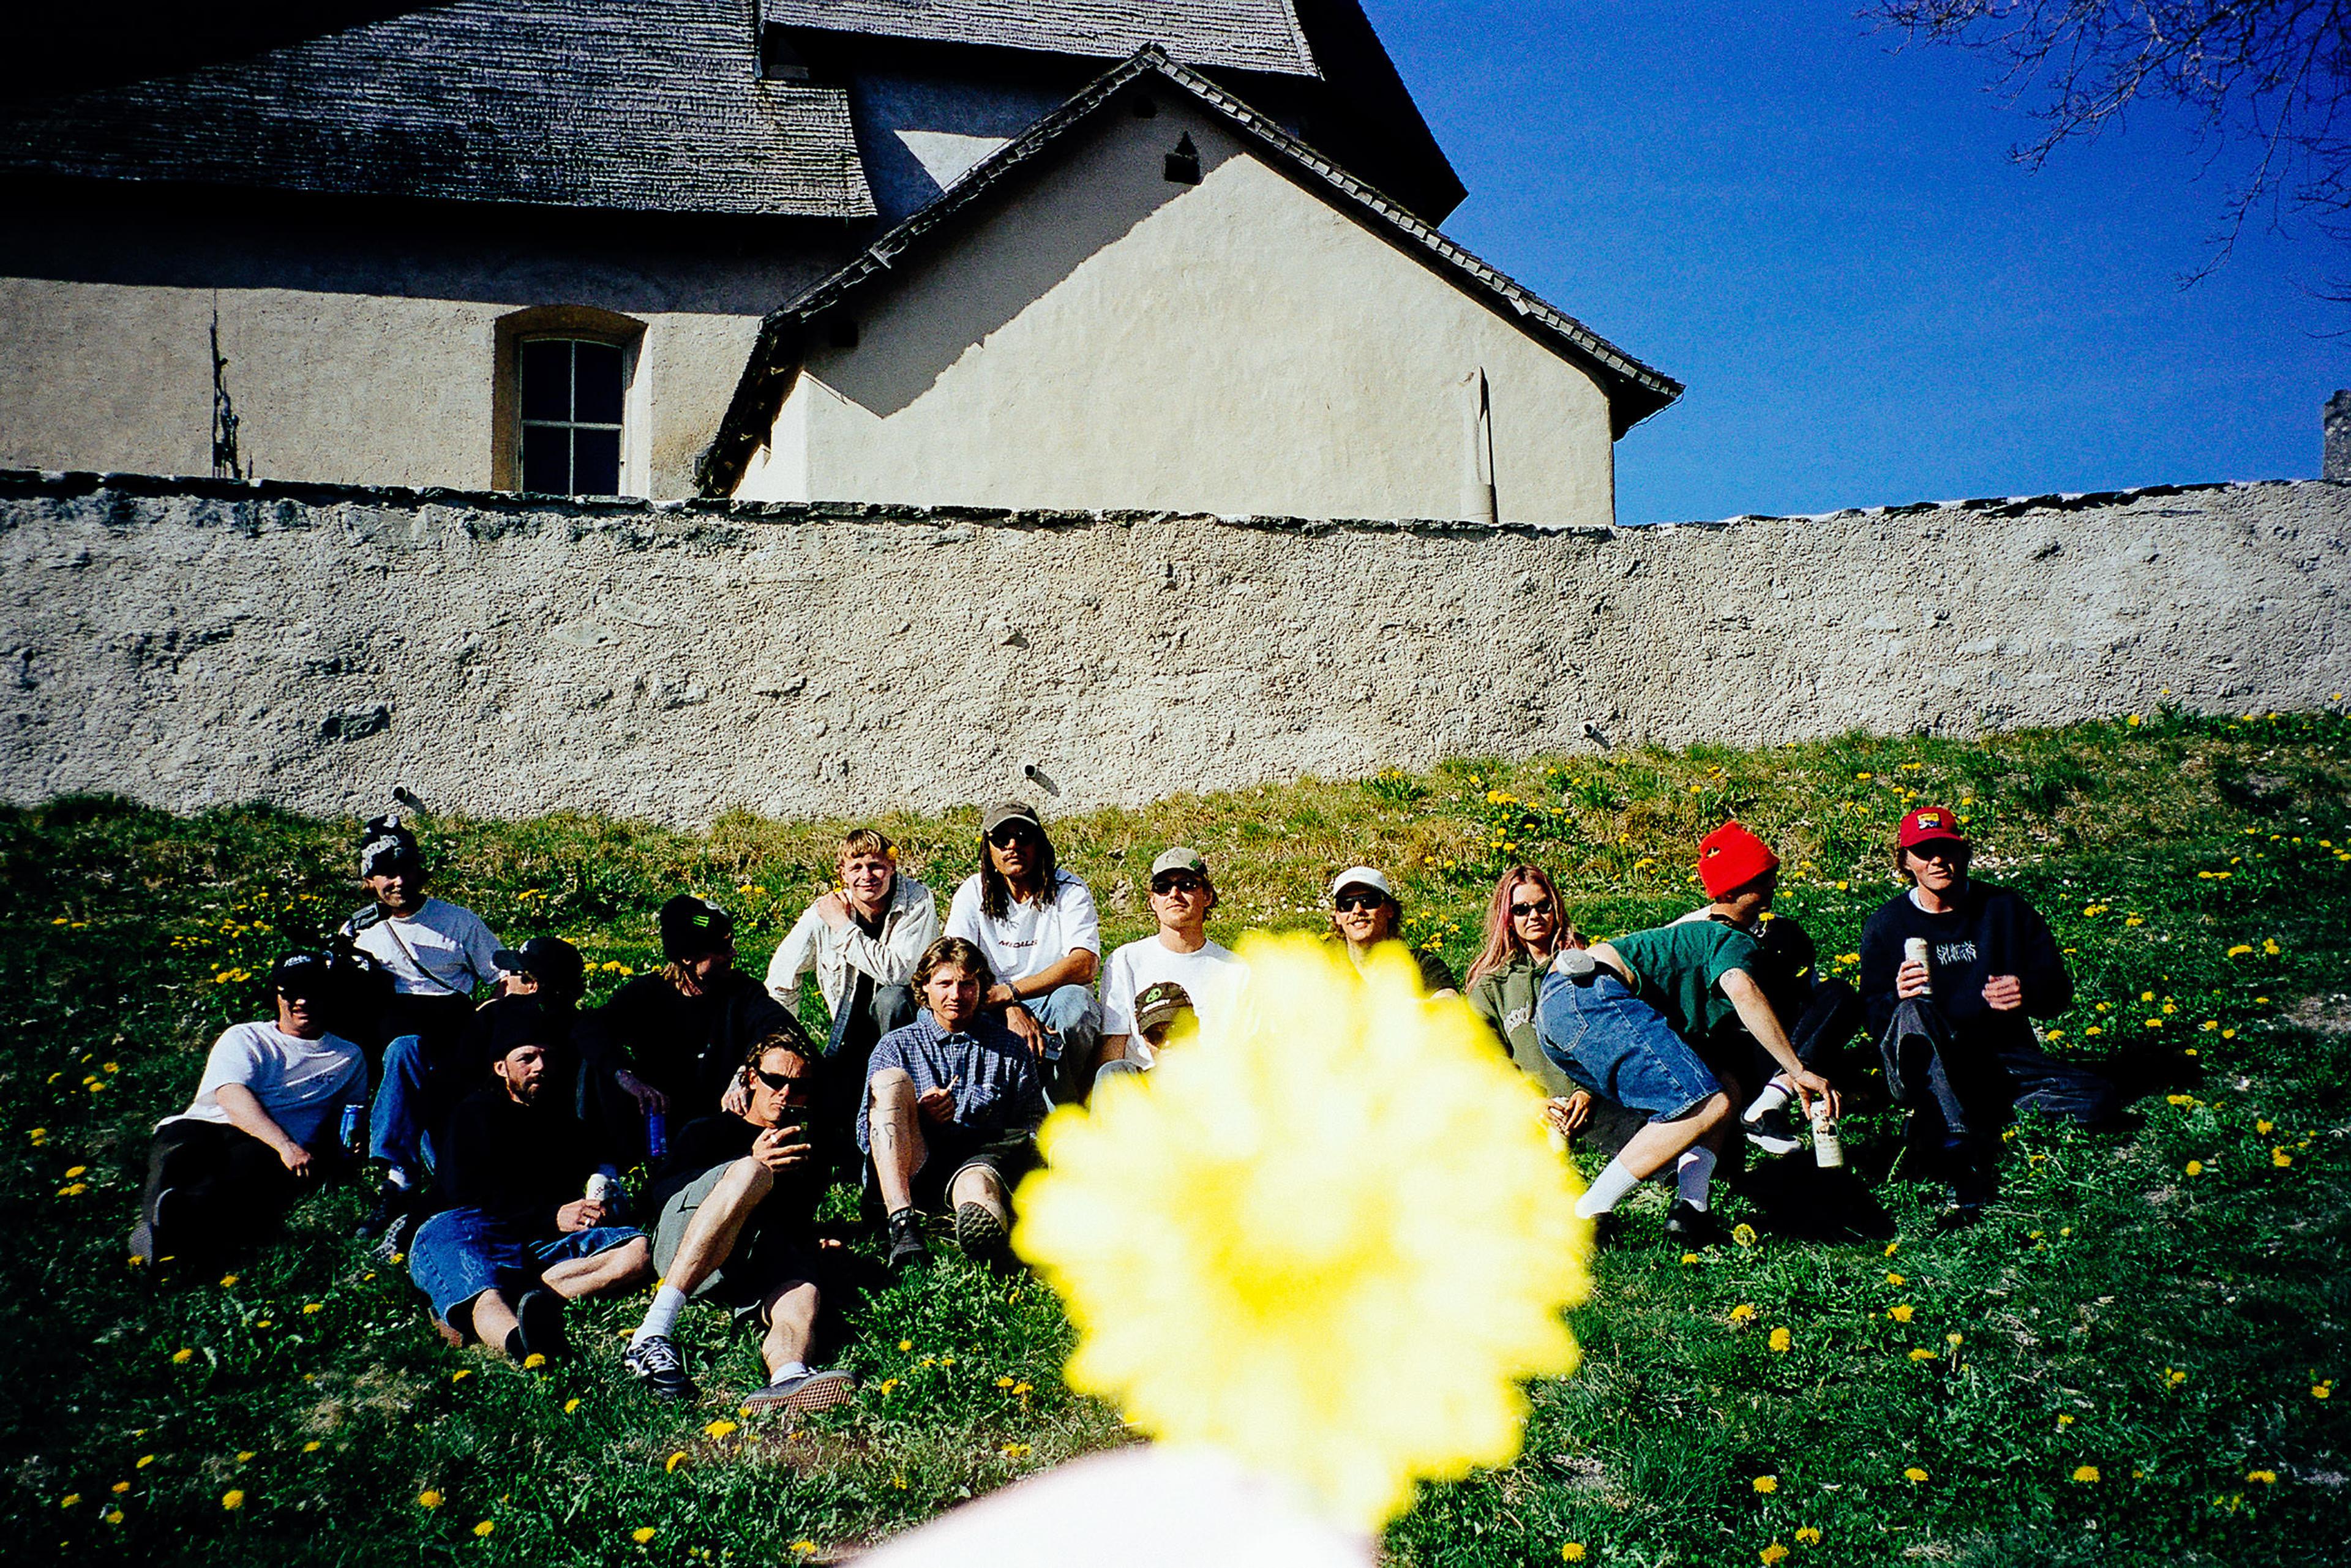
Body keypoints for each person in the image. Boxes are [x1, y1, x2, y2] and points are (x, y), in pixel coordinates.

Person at [1859, 806, 2118, 1224]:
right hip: (1927, 1060)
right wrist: (1895, 996)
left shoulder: (2004, 909)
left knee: (2098, 1097)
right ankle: (1959, 1155)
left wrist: (2026, 991)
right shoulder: (1886, 924)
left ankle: (1962, 1117)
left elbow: (2058, 992)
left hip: (2001, 1055)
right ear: (1904, 861)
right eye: (1924, 852)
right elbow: (1872, 1017)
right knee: (1914, 1010)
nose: (1937, 861)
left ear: (1964, 853)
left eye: (1947, 849)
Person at [1535, 914, 1839, 1243]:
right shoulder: (1738, 944)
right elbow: (1742, 987)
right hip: (1587, 992)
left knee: (1721, 1089)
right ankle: (1586, 1211)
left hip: (1565, 1011)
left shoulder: (1699, 977)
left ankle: (1691, 1210)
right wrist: (1797, 1071)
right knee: (1701, 1103)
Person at [621, 1025, 857, 1414]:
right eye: (775, 1081)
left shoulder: (804, 1149)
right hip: (682, 1248)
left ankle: (789, 1375)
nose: (786, 1094)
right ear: (750, 1079)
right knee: (752, 1172)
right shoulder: (709, 1130)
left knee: (802, 1292)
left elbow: (790, 1221)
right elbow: (658, 1196)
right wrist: (747, 1163)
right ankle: (653, 1331)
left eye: (799, 1086)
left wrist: (812, 1242)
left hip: (745, 1263)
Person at [405, 1000, 650, 1360]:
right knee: (482, 1288)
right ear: (501, 1067)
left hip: (535, 1241)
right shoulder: (475, 1114)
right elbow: (466, 1193)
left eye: (547, 1057)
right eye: (527, 1059)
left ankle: (527, 1297)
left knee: (637, 1251)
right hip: (468, 1229)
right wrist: (551, 1216)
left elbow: (599, 1164)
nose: (540, 1067)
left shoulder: (564, 1123)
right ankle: (521, 1343)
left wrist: (598, 1200)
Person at [132, 951, 367, 1264]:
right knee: (177, 1153)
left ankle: (170, 1236)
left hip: (270, 1149)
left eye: (312, 991)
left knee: (241, 1173)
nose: (302, 1002)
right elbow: (231, 1094)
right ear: (278, 995)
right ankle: (161, 1229)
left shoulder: (348, 1057)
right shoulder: (246, 1037)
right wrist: (285, 1146)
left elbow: (352, 1113)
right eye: (292, 992)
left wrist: (347, 1145)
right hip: (212, 1125)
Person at [346, 816, 508, 1239]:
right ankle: (399, 1171)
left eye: (405, 870)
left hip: (454, 1027)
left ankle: (428, 1185)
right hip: (396, 1032)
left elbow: (502, 975)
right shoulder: (360, 931)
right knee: (406, 1050)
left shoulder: (458, 922)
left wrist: (486, 1016)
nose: (398, 882)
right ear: (369, 881)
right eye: (386, 874)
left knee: (444, 1113)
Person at [1676, 822, 1866, 1157]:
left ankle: (1773, 1099)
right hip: (1723, 1050)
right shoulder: (1690, 935)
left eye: (1772, 876)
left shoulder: (1783, 932)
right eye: (1761, 880)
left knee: (1839, 994)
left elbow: (1812, 998)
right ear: (1729, 891)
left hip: (1781, 1045)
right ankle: (1764, 1104)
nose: (1773, 885)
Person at [863, 937, 1049, 1270]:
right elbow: (866, 1134)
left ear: (982, 989)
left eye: (967, 985)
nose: (956, 995)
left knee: (977, 1186)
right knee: (890, 1082)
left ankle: (988, 1238)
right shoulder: (896, 1045)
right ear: (925, 987)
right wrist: (917, 1115)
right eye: (945, 984)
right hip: (915, 1159)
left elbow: (1033, 1118)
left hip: (980, 1158)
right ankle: (902, 1224)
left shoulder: (1009, 1046)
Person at [765, 828, 940, 1169]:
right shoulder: (823, 912)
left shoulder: (917, 902)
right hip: (848, 1033)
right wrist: (784, 1043)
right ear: (842, 873)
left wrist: (842, 927)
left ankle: (903, 1113)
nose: (867, 876)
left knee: (892, 998)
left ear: (892, 868)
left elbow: (897, 972)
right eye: (856, 868)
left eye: (876, 866)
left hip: (903, 1030)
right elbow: (781, 979)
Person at [582, 895, 794, 1155]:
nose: (733, 954)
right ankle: (607, 1162)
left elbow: (779, 1025)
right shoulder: (646, 994)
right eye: (721, 949)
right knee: (594, 1066)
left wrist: (744, 1073)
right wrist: (626, 1078)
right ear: (687, 957)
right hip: (659, 1119)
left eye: (731, 944)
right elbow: (589, 1029)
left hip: (723, 1119)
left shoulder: (743, 992)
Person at [943, 803, 1101, 1103]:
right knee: (947, 1005)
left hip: (1050, 1000)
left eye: (1023, 836)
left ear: (1039, 843)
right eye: (1002, 839)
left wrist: (1012, 992)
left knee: (1075, 1004)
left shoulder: (1070, 889)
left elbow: (1085, 964)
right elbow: (954, 962)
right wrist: (1008, 1006)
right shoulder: (972, 891)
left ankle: (1061, 1109)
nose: (1013, 846)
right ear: (988, 849)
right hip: (990, 1000)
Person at [1464, 865, 1593, 1145]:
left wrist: (1587, 1091)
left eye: (1543, 906)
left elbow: (1608, 1035)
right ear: (1508, 918)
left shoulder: (1587, 965)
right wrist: (1528, 1100)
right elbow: (1485, 1054)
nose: (1534, 916)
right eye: (1521, 909)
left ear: (1556, 909)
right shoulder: (1491, 985)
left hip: (1593, 1102)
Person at [1097, 847, 1248, 1073]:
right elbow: (1113, 1044)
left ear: (1207, 896)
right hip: (1144, 1081)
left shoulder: (1237, 970)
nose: (1174, 894)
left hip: (1210, 1080)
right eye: (1163, 887)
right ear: (1153, 901)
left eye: (1187, 885)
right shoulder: (1124, 960)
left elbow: (1246, 1052)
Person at [1325, 867, 1458, 999]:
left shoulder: (1421, 964)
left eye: (1369, 901)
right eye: (1346, 905)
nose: (1357, 910)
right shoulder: (1325, 971)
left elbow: (1448, 1001)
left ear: (1390, 910)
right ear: (1337, 917)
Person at [1095, 981, 1200, 1087]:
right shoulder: (1126, 1082)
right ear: (1145, 1041)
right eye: (1155, 1036)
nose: (1167, 1042)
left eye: (1175, 1030)